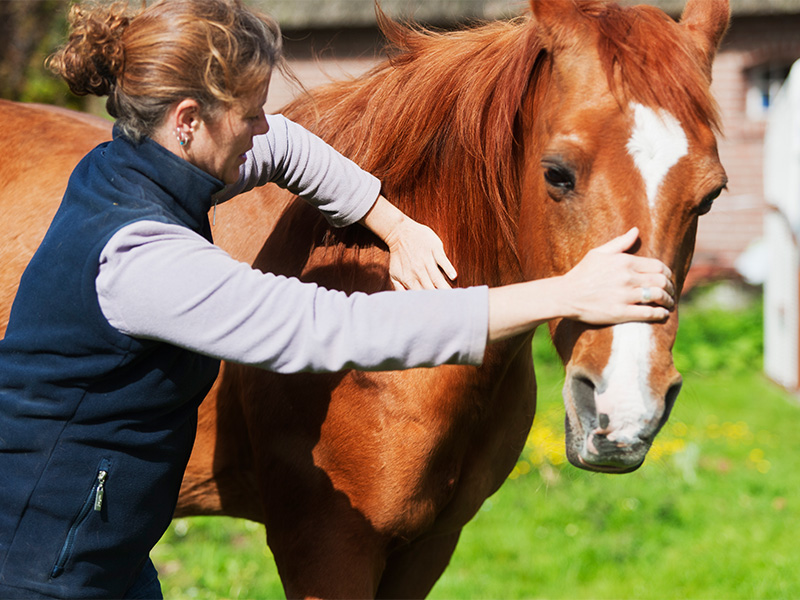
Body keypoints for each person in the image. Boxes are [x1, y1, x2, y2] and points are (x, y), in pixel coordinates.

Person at [0, 0, 675, 597]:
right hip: (44, 556)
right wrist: (561, 293)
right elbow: (327, 327)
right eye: (250, 113)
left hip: (109, 541)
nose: (265, 127)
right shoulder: (143, 261)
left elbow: (288, 148)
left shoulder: (136, 163)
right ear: (187, 121)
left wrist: (393, 222)